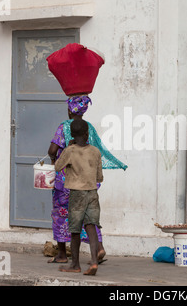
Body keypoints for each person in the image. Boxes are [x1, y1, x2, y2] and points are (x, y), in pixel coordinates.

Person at [47, 95, 127, 265]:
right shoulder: (88, 128)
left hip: (67, 183)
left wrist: (54, 159)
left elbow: (52, 149)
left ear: (69, 110)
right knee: (90, 218)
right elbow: (97, 153)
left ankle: (62, 254)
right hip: (89, 183)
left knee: (62, 215)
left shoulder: (64, 127)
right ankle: (99, 247)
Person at [55, 119, 103, 275]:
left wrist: (68, 148)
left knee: (75, 230)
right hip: (92, 193)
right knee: (91, 227)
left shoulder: (70, 150)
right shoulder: (95, 151)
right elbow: (99, 177)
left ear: (73, 135)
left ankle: (75, 264)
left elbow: (57, 166)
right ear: (87, 134)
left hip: (77, 194)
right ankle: (94, 262)